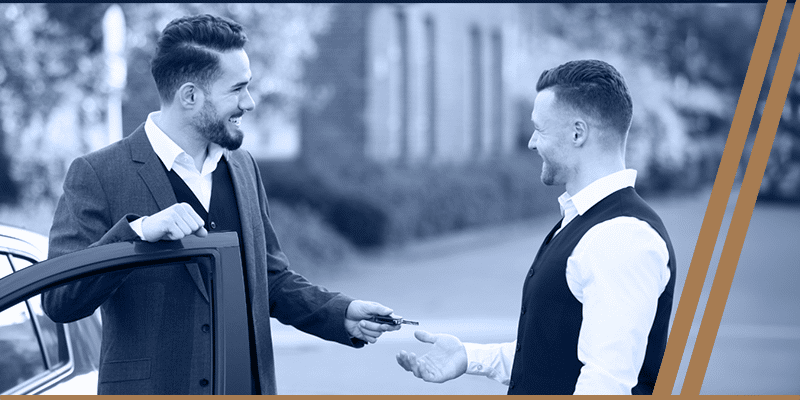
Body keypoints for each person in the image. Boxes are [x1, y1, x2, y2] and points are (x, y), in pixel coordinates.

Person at [42, 14, 400, 395]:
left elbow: (270, 278)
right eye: (237, 89)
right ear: (191, 96)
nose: (249, 102)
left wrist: (341, 313)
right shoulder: (97, 173)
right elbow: (60, 300)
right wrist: (137, 233)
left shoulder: (242, 167)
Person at [396, 59, 676, 395]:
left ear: (577, 133)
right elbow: (555, 355)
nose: (531, 142)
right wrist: (468, 357)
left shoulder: (621, 236)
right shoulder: (586, 223)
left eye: (540, 129)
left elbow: (606, 383)